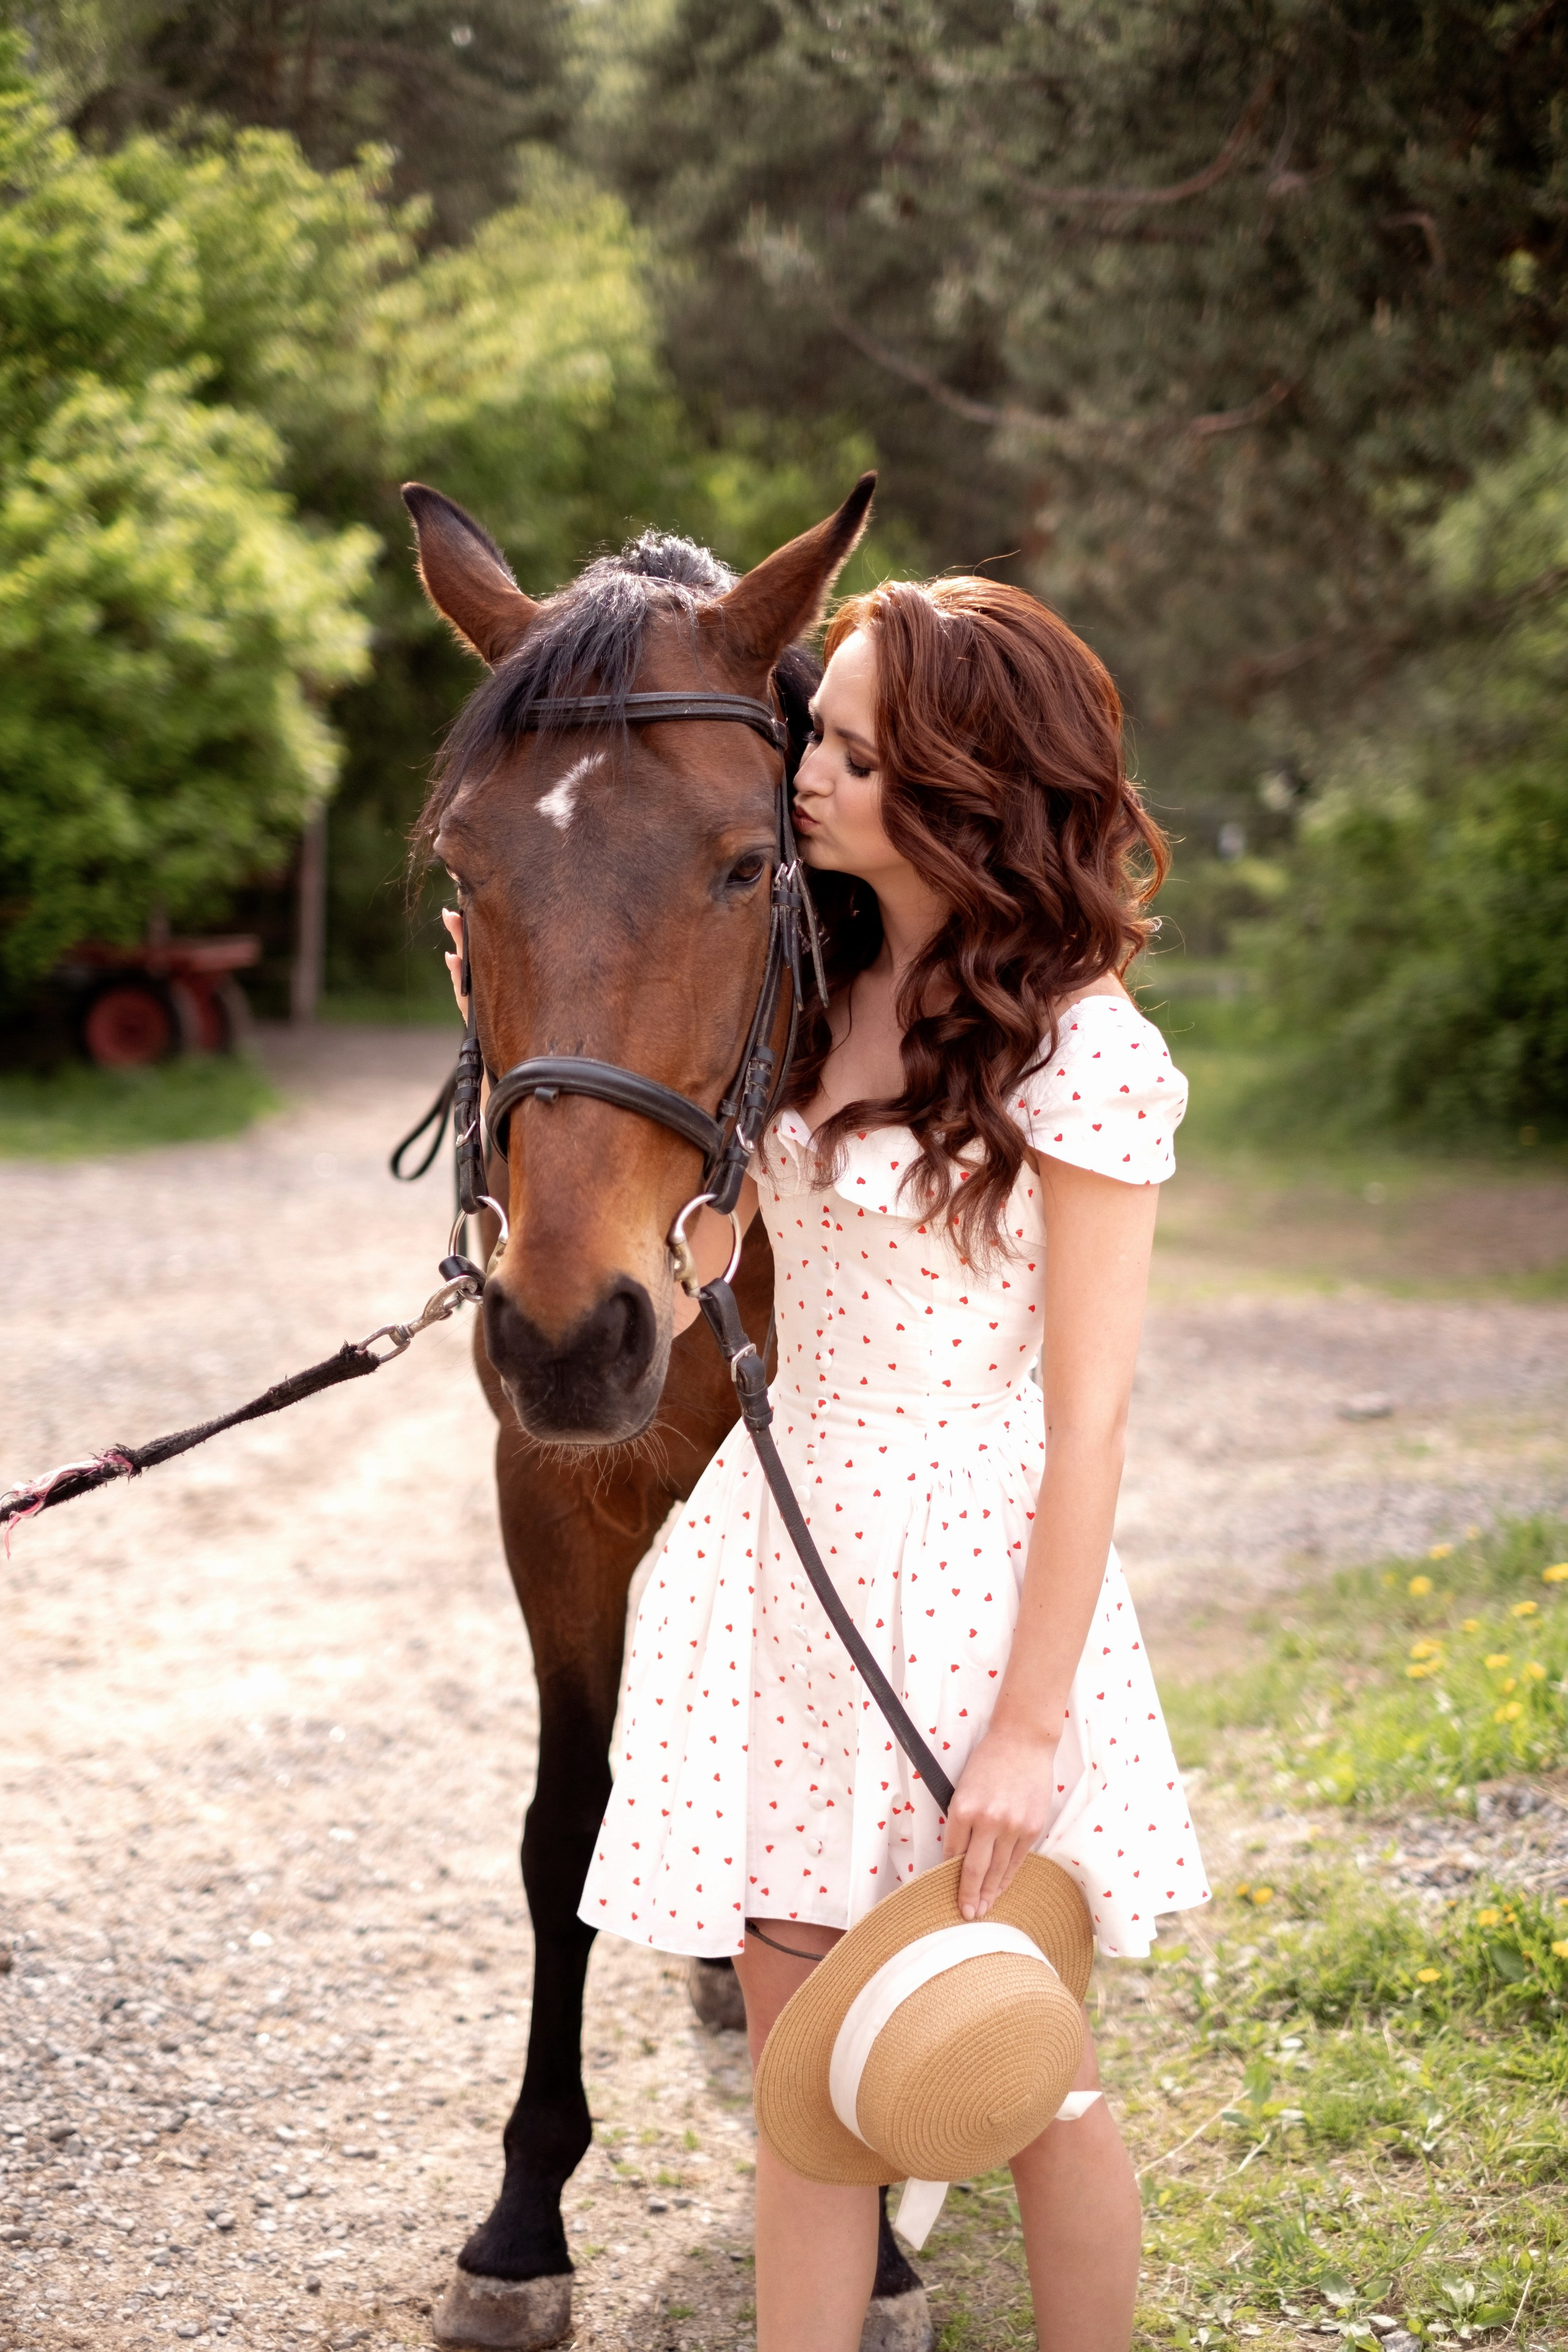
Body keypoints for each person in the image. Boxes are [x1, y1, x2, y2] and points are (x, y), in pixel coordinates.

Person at [566, 575, 1207, 2352]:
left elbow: (1091, 1425)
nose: (808, 776)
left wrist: (1025, 1728)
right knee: (808, 2093)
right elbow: (714, 1290)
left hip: (975, 1584)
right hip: (780, 1576)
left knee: (1025, 2073)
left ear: (960, 781)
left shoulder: (1080, 1054)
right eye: (817, 739)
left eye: (848, 748)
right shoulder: (799, 990)